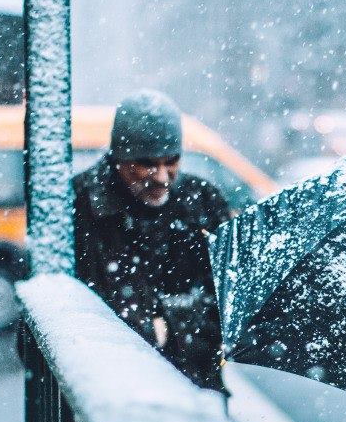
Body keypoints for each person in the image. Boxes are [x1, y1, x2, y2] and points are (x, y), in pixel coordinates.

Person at [72, 90, 232, 391]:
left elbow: (228, 297)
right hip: (114, 386)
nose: (161, 177)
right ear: (119, 160)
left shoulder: (202, 201)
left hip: (195, 381)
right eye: (146, 164)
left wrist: (178, 330)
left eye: (171, 161)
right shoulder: (79, 205)